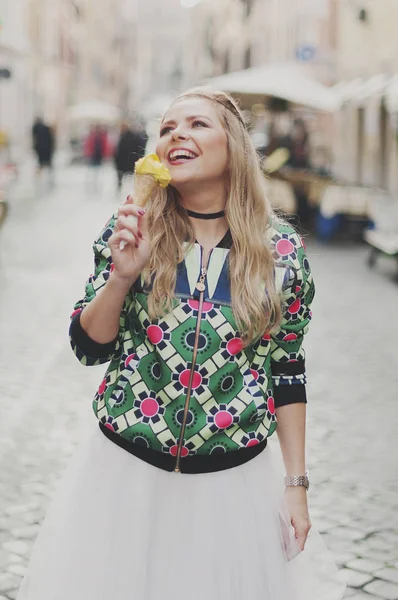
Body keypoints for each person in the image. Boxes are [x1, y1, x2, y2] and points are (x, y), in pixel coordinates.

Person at [17, 89, 345, 600]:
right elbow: (88, 347)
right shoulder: (131, 229)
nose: (177, 136)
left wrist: (296, 486)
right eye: (168, 128)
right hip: (125, 475)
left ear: (232, 145)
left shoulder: (281, 252)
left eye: (196, 125)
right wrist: (122, 277)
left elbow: (288, 372)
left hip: (232, 486)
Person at [114, 121, 148, 189]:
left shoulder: (127, 137)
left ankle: (124, 189)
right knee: (127, 178)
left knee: (126, 178)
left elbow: (120, 150)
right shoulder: (125, 136)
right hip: (127, 161)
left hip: (126, 161)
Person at [32, 117, 55, 182]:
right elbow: (51, 139)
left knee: (40, 162)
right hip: (47, 148)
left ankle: (40, 175)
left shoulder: (36, 128)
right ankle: (48, 176)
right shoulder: (47, 128)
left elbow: (34, 138)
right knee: (47, 162)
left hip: (40, 148)